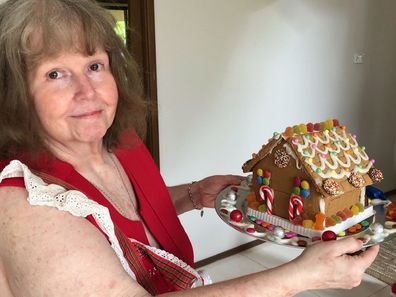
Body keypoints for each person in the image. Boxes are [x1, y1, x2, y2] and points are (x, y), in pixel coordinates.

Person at [0, 0, 379, 296]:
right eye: (55, 74)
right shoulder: (26, 203)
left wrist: (194, 194)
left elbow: (120, 222)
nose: (88, 91)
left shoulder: (121, 141)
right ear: (15, 94)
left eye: (95, 65)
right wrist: (300, 275)